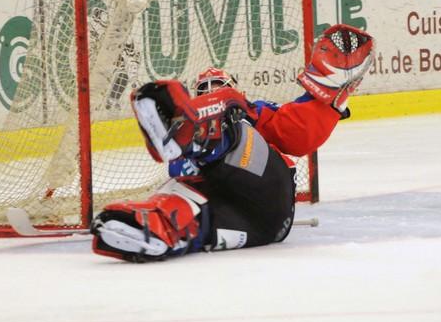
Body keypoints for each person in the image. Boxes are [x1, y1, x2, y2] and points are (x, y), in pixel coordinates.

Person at [90, 24, 374, 262]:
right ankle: (155, 230)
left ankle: (199, 136)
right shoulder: (180, 149)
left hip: (268, 197)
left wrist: (328, 97)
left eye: (219, 87)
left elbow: (296, 135)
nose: (211, 92)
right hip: (249, 225)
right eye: (204, 90)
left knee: (232, 119)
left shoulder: (251, 113)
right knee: (180, 209)